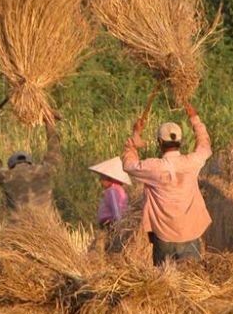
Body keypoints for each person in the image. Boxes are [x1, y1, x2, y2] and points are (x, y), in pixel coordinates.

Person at [122, 101, 212, 266]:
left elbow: (128, 165)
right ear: (180, 141)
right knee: (192, 283)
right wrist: (195, 119)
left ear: (160, 142)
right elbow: (205, 147)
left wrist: (134, 137)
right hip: (191, 234)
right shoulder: (192, 162)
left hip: (163, 236)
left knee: (164, 286)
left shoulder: (153, 167)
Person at [0, 115, 62, 209]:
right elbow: (54, 149)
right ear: (29, 163)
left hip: (19, 223)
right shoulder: (45, 171)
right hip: (47, 222)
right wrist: (49, 122)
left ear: (11, 166)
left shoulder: (6, 176)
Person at [89, 157, 131, 228]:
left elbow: (116, 209)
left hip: (110, 224)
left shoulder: (112, 191)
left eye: (102, 178)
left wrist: (119, 224)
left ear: (110, 179)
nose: (100, 181)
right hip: (112, 223)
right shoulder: (118, 190)